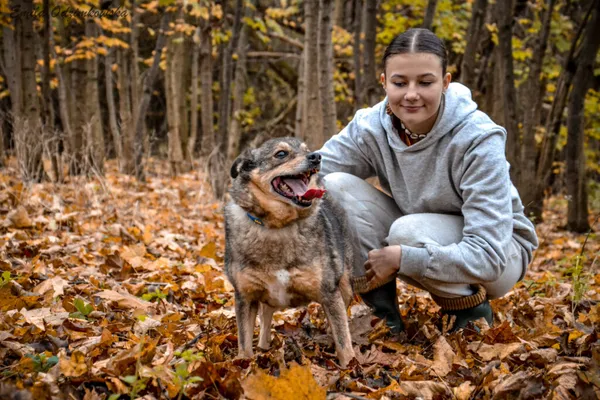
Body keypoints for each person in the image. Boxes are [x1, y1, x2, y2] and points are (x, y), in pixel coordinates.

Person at [318, 28, 538, 332]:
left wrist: (405, 257)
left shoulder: (477, 137)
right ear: (384, 82)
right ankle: (384, 320)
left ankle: (469, 318)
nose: (411, 94)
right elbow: (313, 172)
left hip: (500, 254)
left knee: (407, 232)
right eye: (399, 82)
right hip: (418, 235)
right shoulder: (371, 126)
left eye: (425, 82)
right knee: (334, 187)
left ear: (445, 82)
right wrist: (263, 198)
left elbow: (489, 255)